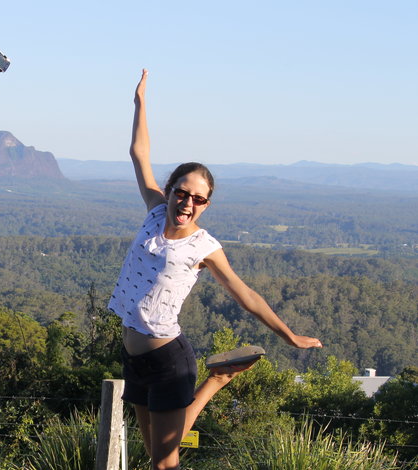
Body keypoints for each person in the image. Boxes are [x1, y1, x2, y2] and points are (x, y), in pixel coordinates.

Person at [108, 69, 323, 470]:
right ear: (170, 190)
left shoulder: (205, 246)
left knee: (163, 463)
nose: (188, 203)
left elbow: (246, 295)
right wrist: (140, 102)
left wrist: (289, 335)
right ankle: (217, 380)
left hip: (169, 359)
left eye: (199, 199)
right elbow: (139, 154)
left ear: (207, 205)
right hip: (133, 355)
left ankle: (215, 381)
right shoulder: (155, 212)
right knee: (153, 448)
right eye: (182, 192)